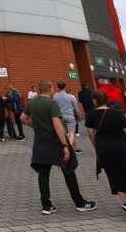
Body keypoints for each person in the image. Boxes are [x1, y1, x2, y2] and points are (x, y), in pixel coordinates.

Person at [21, 80, 97, 215]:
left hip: (40, 143)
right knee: (69, 171)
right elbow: (57, 125)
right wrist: (65, 144)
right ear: (49, 88)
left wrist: (35, 126)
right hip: (55, 142)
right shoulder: (51, 104)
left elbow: (23, 118)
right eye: (52, 88)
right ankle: (79, 202)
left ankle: (46, 205)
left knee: (43, 174)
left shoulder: (32, 103)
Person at [86, 91, 126, 221]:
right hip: (123, 149)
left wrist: (97, 147)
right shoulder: (117, 114)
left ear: (95, 101)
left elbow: (91, 134)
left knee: (116, 179)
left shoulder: (90, 115)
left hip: (105, 152)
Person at [53, 81, 82, 152]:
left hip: (60, 117)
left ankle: (76, 148)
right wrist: (79, 116)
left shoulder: (54, 96)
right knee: (72, 133)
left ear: (58, 87)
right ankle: (70, 148)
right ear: (65, 87)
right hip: (70, 117)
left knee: (65, 133)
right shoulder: (70, 97)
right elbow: (76, 108)